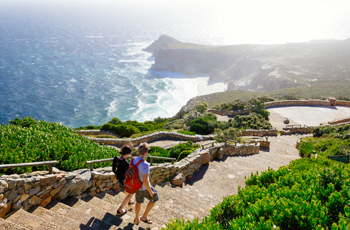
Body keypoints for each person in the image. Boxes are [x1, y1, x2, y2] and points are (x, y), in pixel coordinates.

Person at [133, 143, 159, 225]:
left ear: (138, 151)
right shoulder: (145, 165)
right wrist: (150, 191)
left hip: (136, 186)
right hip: (144, 188)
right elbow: (145, 181)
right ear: (146, 153)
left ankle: (137, 219)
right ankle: (144, 217)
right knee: (155, 198)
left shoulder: (133, 159)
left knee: (138, 202)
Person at [112, 144, 135, 216]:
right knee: (130, 193)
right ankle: (120, 209)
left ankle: (130, 201)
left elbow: (113, 169)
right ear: (128, 154)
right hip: (124, 180)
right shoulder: (126, 163)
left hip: (119, 178)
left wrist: (118, 174)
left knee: (125, 190)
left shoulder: (116, 158)